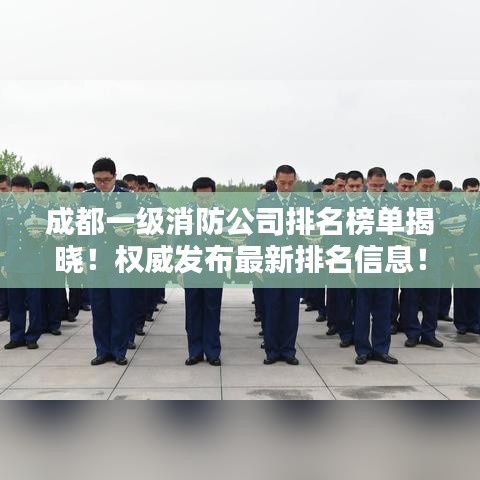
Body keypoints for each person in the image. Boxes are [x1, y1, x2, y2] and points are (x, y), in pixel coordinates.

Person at [80, 157, 137, 366]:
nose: (102, 184)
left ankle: (119, 350)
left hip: (119, 260)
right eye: (98, 180)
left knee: (120, 307)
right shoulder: (87, 198)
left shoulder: (128, 197)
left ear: (114, 176)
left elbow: (137, 226)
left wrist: (128, 233)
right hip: (96, 260)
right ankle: (102, 350)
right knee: (99, 307)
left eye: (106, 179)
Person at [258, 165, 311, 365]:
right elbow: (257, 236)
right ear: (275, 180)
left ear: (295, 180)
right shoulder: (264, 204)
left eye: (290, 183)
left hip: (295, 266)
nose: (286, 187)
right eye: (282, 183)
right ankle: (272, 350)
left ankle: (288, 350)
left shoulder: (304, 204)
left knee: (291, 310)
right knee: (272, 309)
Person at [351, 167, 398, 365]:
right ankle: (362, 349)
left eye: (381, 186)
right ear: (366, 183)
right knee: (362, 310)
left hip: (386, 266)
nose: (378, 189)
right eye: (374, 185)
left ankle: (381, 349)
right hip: (364, 265)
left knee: (384, 310)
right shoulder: (355, 206)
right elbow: (348, 238)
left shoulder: (392, 205)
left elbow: (398, 235)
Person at [178, 177, 224, 366]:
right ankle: (195, 352)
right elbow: (178, 243)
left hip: (214, 268)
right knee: (193, 311)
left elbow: (230, 238)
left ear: (214, 195)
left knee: (212, 310)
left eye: (208, 198)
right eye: (200, 198)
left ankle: (213, 352)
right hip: (191, 268)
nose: (204, 202)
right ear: (194, 196)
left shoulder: (223, 213)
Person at [0, 175, 48, 350]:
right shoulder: (6, 210)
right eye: (15, 193)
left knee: (34, 302)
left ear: (29, 190)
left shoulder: (41, 211)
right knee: (15, 302)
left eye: (21, 193)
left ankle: (33, 336)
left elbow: (48, 238)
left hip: (33, 263)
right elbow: (3, 238)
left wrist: (40, 237)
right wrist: (3, 262)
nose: (18, 197)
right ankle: (17, 336)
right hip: (13, 263)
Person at [402, 169, 447, 348]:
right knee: (411, 298)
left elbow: (444, 229)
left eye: (431, 186)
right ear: (417, 184)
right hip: (413, 258)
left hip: (434, 258)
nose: (428, 190)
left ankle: (429, 333)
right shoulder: (406, 204)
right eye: (424, 186)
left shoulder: (441, 204)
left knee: (432, 298)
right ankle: (412, 332)